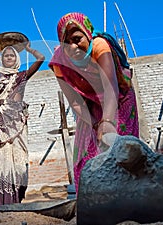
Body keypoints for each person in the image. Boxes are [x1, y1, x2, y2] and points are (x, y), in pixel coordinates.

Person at [48, 12, 139, 193]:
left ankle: (128, 194)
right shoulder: (59, 62)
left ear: (87, 34)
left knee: (119, 145)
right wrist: (95, 123)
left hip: (119, 97)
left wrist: (107, 122)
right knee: (85, 152)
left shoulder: (99, 45)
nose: (73, 46)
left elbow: (110, 86)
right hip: (89, 102)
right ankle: (94, 198)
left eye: (77, 38)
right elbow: (74, 101)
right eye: (67, 43)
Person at [0, 36, 45, 207]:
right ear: (2, 59)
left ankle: (17, 198)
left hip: (17, 122)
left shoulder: (22, 75)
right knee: (2, 159)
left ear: (17, 59)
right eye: (6, 56)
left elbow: (41, 58)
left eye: (12, 56)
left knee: (19, 163)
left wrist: (28, 49)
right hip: (1, 122)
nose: (9, 58)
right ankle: (2, 201)